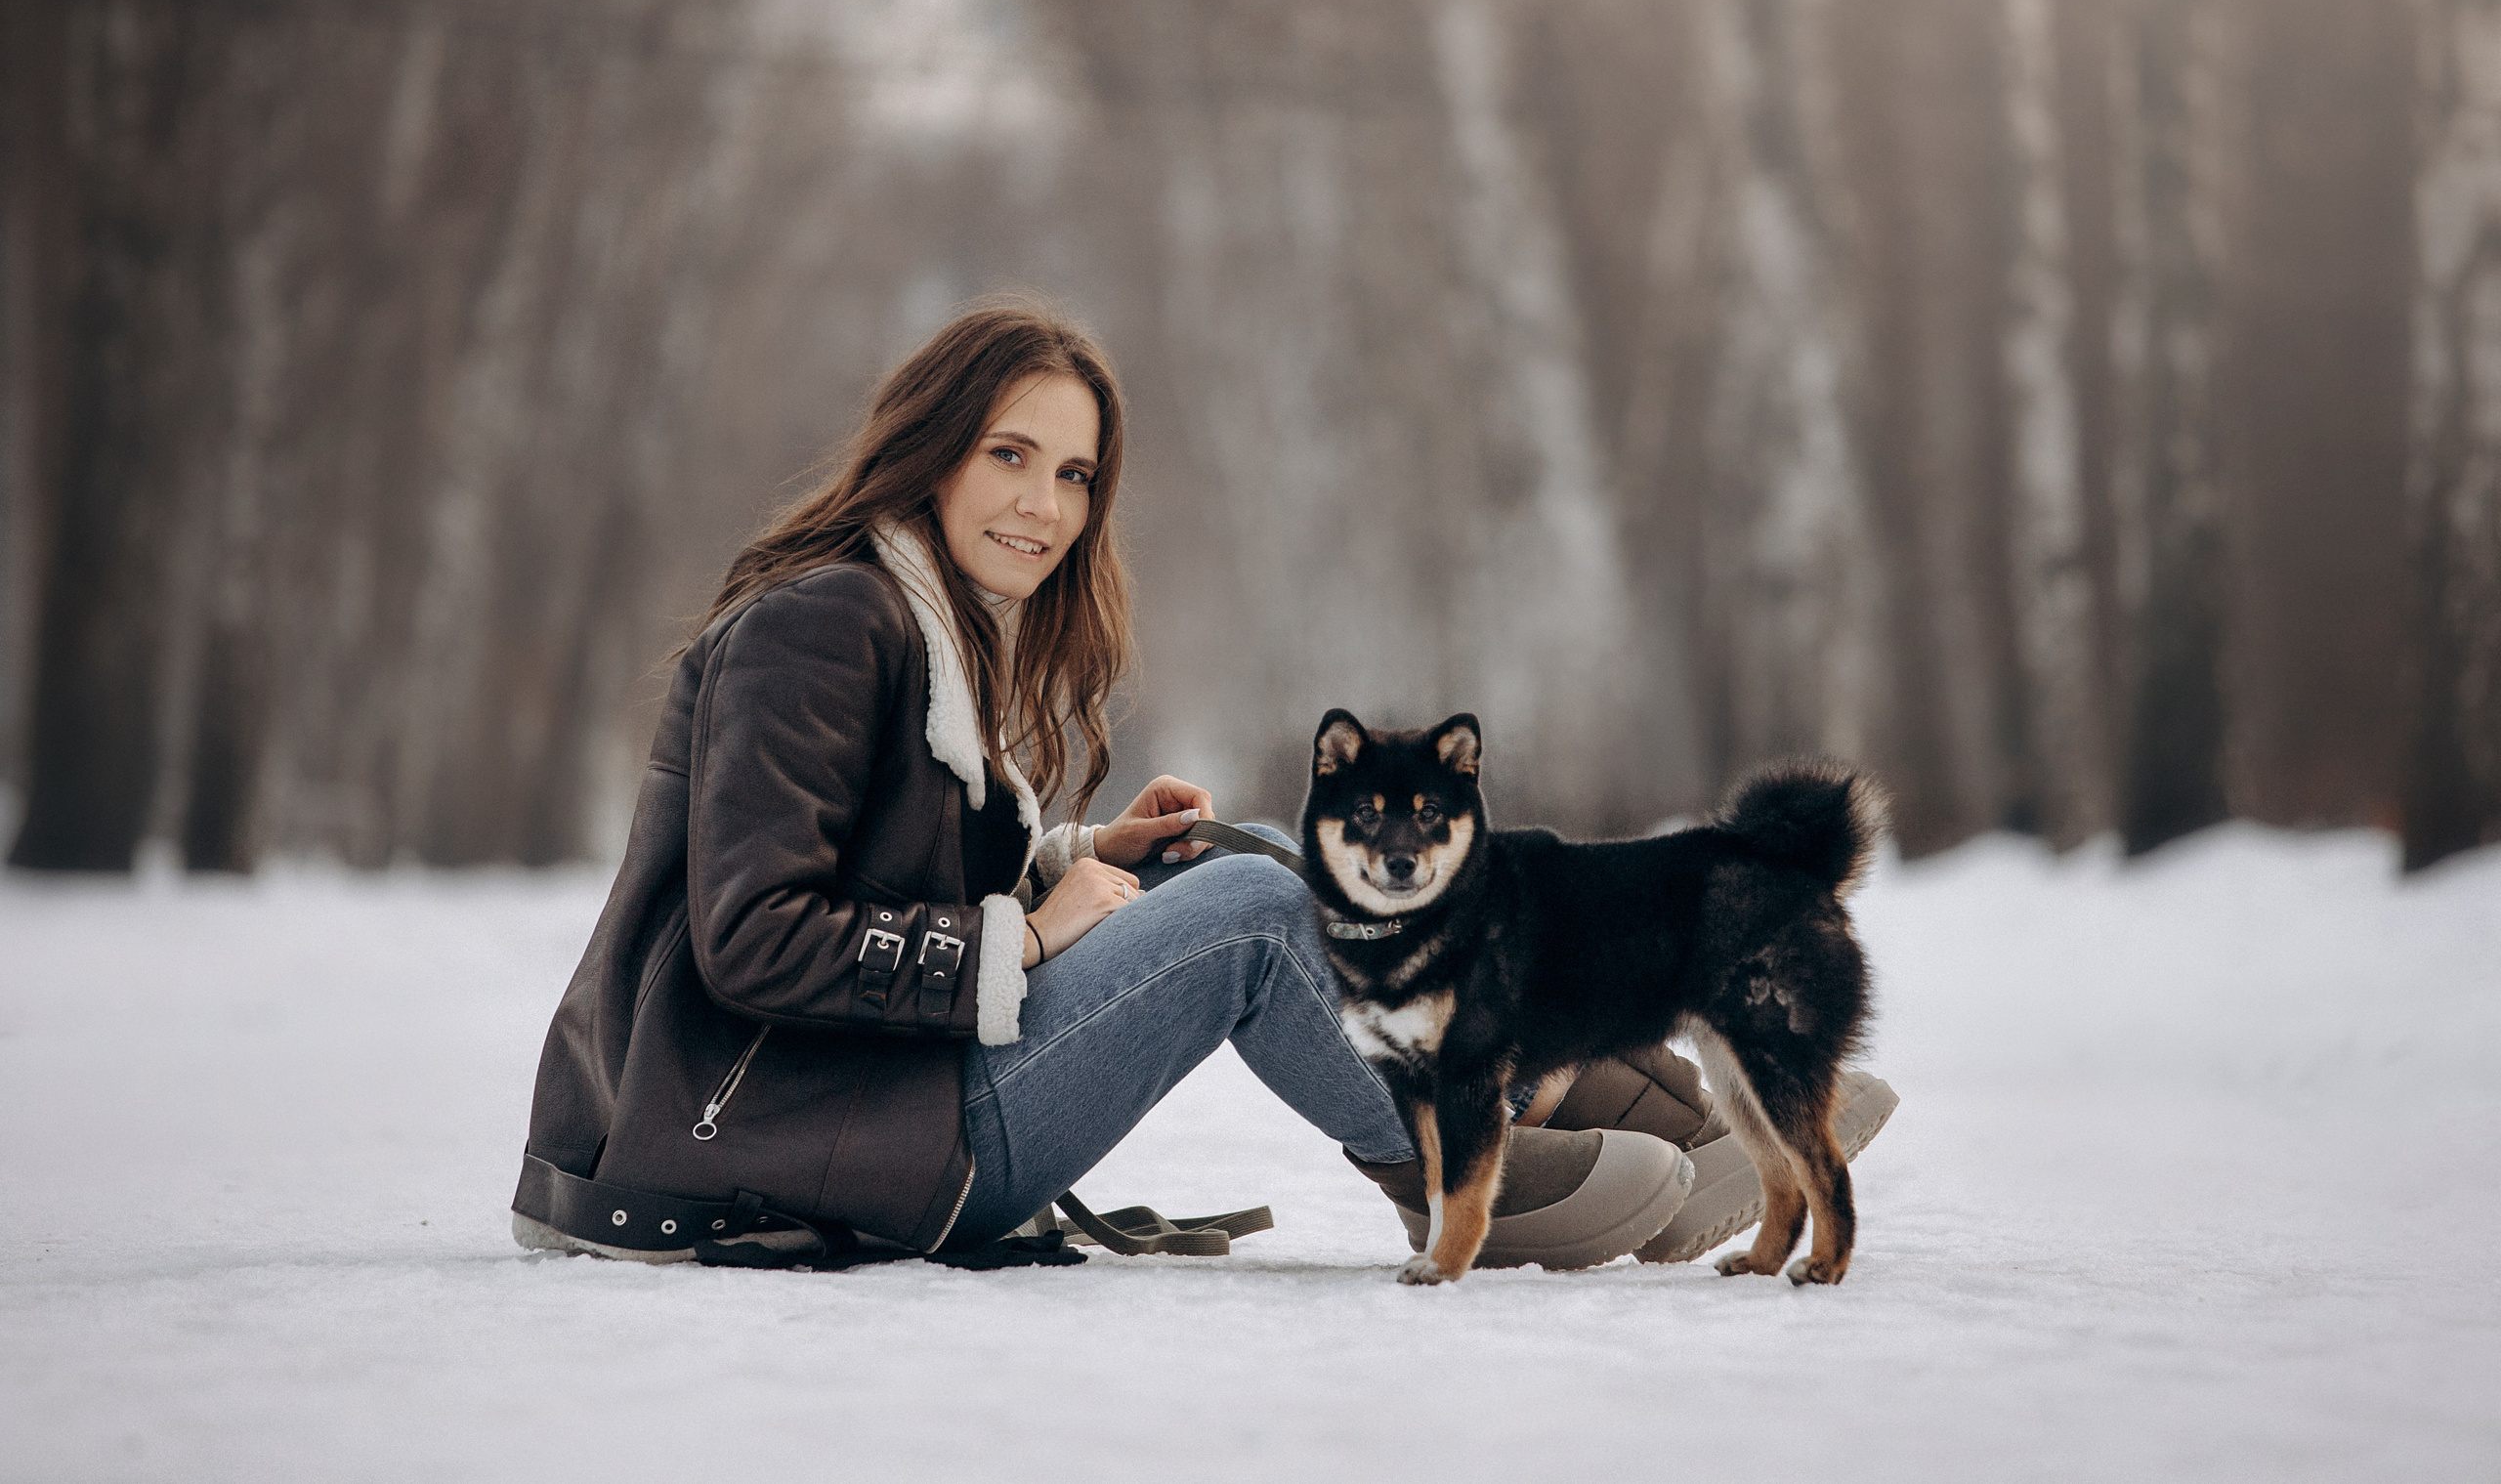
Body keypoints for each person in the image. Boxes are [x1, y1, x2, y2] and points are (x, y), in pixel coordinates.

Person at [508, 302, 1893, 1270]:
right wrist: (1028, 933)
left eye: (1073, 475)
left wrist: (1075, 856)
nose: (1043, 507)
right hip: (776, 1139)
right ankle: (1475, 1167)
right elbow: (753, 938)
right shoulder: (828, 624)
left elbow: (880, 859)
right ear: (927, 446)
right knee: (1249, 916)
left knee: (1251, 857)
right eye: (1008, 455)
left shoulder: (915, 622)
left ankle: (1644, 1106)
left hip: (866, 1102)